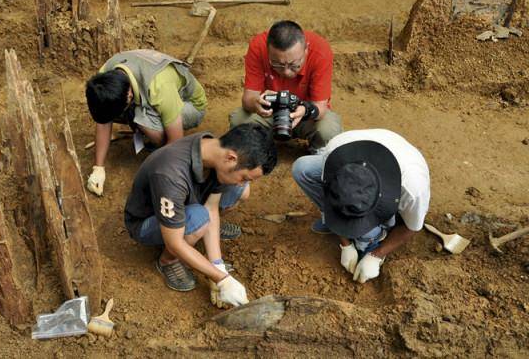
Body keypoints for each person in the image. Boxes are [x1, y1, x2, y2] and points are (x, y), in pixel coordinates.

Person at [124, 123, 277, 307]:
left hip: (186, 202)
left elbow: (212, 207)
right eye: (244, 176)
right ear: (231, 158)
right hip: (146, 222)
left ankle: (199, 231)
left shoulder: (213, 148)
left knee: (238, 191)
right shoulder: (170, 173)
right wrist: (221, 279)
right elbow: (175, 241)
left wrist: (217, 264)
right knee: (198, 218)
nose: (241, 182)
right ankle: (167, 261)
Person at [292, 129, 430, 283]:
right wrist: (345, 243)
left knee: (366, 236)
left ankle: (373, 238)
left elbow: (411, 228)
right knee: (302, 169)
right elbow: (329, 195)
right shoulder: (336, 154)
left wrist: (376, 255)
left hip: (399, 174)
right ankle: (344, 226)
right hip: (358, 156)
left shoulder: (413, 190)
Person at [85, 49, 208, 197]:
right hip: (150, 93)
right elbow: (104, 121)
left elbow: (176, 141)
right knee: (119, 111)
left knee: (142, 119)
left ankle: (157, 142)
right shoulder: (106, 74)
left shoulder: (159, 87)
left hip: (190, 104)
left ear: (129, 95)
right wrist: (98, 168)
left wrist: (154, 171)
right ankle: (146, 125)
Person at [230, 20, 342, 154]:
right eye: (277, 64)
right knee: (239, 121)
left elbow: (321, 107)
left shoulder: (320, 51)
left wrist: (305, 110)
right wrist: (257, 103)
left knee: (328, 131)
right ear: (268, 50)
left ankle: (318, 153)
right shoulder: (258, 46)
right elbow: (248, 99)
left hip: (305, 115)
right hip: (270, 112)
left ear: (306, 50)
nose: (286, 72)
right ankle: (258, 149)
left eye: (294, 65)